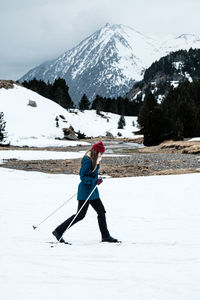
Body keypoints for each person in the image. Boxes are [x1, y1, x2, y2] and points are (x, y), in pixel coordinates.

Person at [52, 140, 119, 243]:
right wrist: (94, 181)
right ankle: (59, 231)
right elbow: (83, 177)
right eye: (101, 153)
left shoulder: (95, 159)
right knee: (80, 215)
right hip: (85, 191)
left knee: (101, 211)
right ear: (96, 152)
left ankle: (105, 236)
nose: (102, 155)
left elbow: (91, 175)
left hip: (92, 192)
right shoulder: (88, 160)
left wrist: (96, 180)